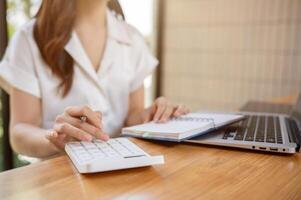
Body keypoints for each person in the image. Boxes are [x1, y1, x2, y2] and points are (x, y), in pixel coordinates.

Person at [0, 0, 189, 158]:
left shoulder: (132, 39)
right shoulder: (29, 38)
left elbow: (133, 115)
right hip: (59, 178)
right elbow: (20, 131)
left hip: (124, 169)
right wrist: (56, 137)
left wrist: (155, 116)